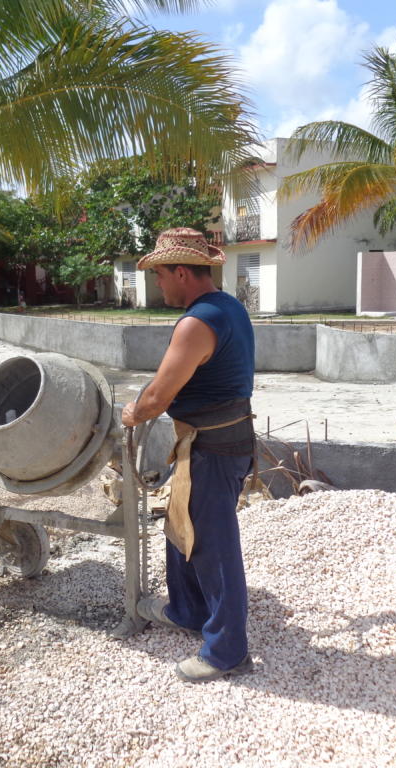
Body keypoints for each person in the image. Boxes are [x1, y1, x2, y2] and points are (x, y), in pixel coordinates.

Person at [121, 227, 255, 683]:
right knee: (181, 529)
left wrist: (133, 414)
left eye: (160, 274)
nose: (158, 284)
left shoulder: (197, 323)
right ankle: (188, 610)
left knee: (214, 548)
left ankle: (227, 651)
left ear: (181, 272)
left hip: (212, 448)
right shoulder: (229, 307)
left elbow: (158, 397)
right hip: (213, 441)